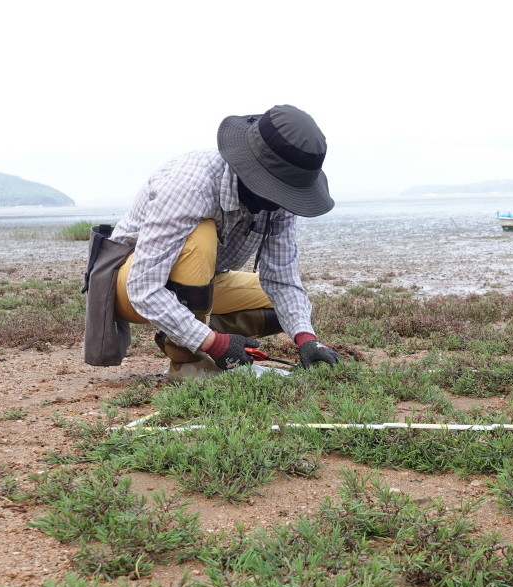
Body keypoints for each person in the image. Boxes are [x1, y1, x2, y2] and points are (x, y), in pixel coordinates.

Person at [105, 104, 341, 381]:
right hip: (128, 285)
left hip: (199, 285)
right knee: (201, 236)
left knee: (279, 304)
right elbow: (143, 288)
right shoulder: (190, 185)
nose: (283, 201)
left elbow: (282, 278)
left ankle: (185, 331)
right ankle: (187, 363)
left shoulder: (281, 201)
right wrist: (215, 344)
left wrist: (306, 338)